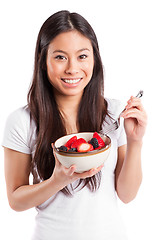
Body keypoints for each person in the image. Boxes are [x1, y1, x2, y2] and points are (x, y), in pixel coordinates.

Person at [2, 10, 147, 240]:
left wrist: (135, 141)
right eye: (60, 57)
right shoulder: (22, 121)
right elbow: (16, 201)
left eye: (82, 56)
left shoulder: (113, 113)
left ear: (95, 59)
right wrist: (57, 181)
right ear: (43, 60)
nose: (72, 68)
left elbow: (127, 195)